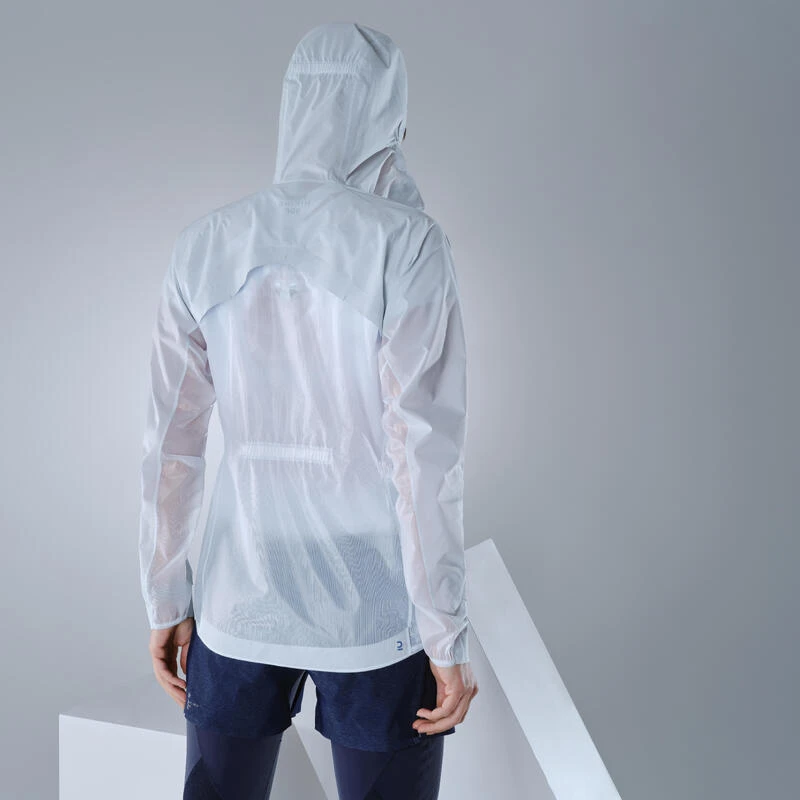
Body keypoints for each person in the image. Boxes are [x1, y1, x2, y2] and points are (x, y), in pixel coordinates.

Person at [138, 21, 478, 799]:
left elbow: (169, 444)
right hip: (376, 604)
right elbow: (425, 455)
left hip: (240, 592)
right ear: (388, 117)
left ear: (294, 107)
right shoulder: (407, 245)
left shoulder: (206, 244)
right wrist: (444, 631)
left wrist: (165, 596)